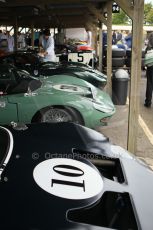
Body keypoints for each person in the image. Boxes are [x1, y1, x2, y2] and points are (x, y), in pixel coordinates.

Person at [144, 32, 153, 108]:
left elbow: (145, 56)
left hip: (151, 67)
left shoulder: (149, 47)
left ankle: (148, 102)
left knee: (149, 84)